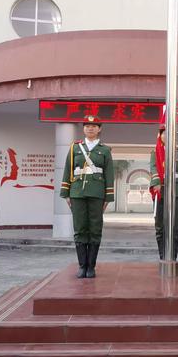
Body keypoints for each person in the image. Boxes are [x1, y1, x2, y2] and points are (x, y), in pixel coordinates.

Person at [60, 115, 114, 279]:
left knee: (95, 229)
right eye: (87, 126)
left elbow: (109, 174)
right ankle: (82, 266)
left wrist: (108, 197)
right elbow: (67, 171)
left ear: (99, 129)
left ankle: (91, 266)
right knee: (80, 229)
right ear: (83, 129)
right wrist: (66, 193)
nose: (90, 128)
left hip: (97, 194)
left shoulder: (105, 150)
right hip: (77, 193)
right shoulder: (74, 148)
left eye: (94, 126)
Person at [149, 126, 178, 260]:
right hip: (160, 190)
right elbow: (153, 168)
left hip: (176, 192)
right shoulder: (155, 152)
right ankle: (162, 256)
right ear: (159, 136)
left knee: (175, 226)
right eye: (163, 134)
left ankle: (172, 256)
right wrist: (156, 184)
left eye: (169, 134)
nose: (166, 136)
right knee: (160, 225)